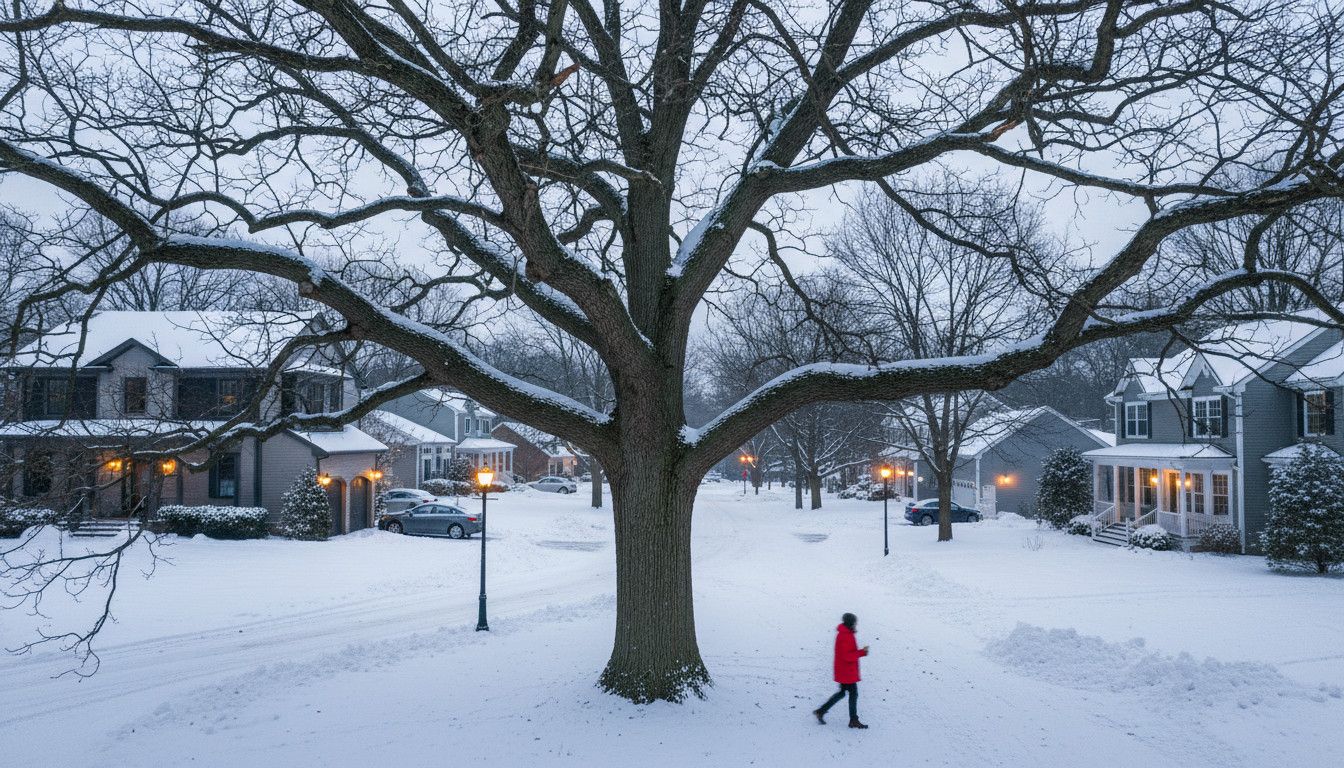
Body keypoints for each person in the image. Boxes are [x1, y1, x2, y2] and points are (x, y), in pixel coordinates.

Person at [813, 612, 869, 728]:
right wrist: (862, 652)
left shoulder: (846, 634)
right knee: (853, 694)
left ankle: (821, 711)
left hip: (845, 671)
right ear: (850, 623)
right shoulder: (845, 636)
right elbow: (847, 656)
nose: (856, 624)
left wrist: (860, 652)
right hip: (846, 672)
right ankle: (853, 720)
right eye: (854, 623)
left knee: (842, 693)